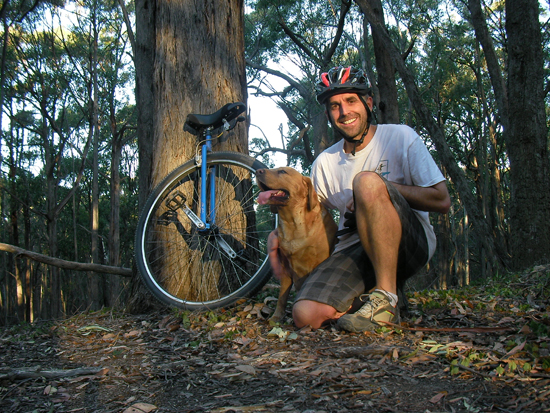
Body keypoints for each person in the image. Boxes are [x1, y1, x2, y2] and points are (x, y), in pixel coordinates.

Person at [267, 65, 451, 333]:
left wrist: (381, 188)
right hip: (354, 248)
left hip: (409, 242)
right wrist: (278, 234)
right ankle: (371, 299)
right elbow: (306, 213)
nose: (344, 112)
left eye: (351, 101)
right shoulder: (324, 164)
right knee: (305, 315)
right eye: (334, 106)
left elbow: (441, 200)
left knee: (366, 182)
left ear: (368, 102)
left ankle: (386, 297)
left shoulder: (401, 137)